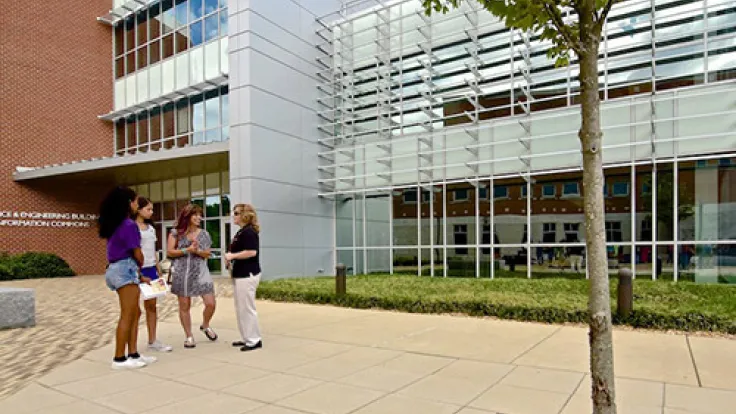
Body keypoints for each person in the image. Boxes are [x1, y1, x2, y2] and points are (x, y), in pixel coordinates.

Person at [98, 186, 157, 369]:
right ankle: (119, 358)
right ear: (128, 203)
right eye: (134, 201)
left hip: (119, 269)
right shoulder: (129, 225)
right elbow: (137, 254)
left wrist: (139, 276)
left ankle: (133, 353)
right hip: (126, 269)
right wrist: (140, 269)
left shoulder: (115, 224)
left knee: (135, 312)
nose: (135, 204)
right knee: (127, 315)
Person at [167, 204, 217, 348]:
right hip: (181, 272)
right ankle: (189, 336)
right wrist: (187, 250)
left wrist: (197, 251)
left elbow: (207, 253)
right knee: (184, 305)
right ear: (187, 216)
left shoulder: (204, 234)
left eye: (200, 215)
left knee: (210, 303)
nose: (198, 217)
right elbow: (170, 252)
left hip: (200, 271)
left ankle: (205, 324)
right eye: (195, 215)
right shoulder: (176, 233)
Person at [134, 197, 173, 353]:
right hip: (137, 269)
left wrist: (158, 271)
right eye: (148, 209)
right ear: (139, 209)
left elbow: (154, 252)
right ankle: (132, 343)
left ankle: (152, 340)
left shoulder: (151, 229)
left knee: (152, 306)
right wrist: (138, 273)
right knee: (134, 308)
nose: (151, 212)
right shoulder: (132, 228)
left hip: (151, 269)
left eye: (152, 209)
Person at [225, 204, 263, 351]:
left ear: (244, 215)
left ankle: (254, 339)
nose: (233, 216)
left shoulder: (249, 232)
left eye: (236, 213)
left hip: (248, 274)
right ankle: (247, 337)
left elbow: (252, 252)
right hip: (240, 274)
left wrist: (232, 256)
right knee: (241, 308)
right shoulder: (242, 232)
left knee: (247, 308)